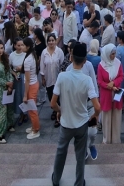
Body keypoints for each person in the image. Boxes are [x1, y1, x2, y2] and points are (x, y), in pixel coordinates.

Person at [51, 42, 100, 186]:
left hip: (66, 123)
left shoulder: (62, 76)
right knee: (80, 155)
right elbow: (97, 106)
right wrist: (94, 116)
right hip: (82, 123)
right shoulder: (87, 80)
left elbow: (52, 104)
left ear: (71, 57)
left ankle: (56, 180)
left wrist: (60, 111)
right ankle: (79, 182)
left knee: (61, 152)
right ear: (85, 60)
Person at [97, 44, 124, 144]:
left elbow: (121, 76)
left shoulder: (118, 63)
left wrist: (114, 83)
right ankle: (107, 139)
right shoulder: (101, 65)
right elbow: (100, 81)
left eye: (114, 53)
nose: (114, 56)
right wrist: (109, 86)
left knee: (116, 117)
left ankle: (116, 140)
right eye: (112, 54)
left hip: (116, 92)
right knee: (107, 117)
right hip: (106, 94)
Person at [40, 33, 64, 128]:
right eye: (49, 40)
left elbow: (62, 65)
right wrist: (43, 78)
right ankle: (55, 110)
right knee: (51, 97)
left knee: (58, 97)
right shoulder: (44, 52)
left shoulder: (59, 51)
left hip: (58, 78)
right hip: (49, 78)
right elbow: (42, 66)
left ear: (55, 41)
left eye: (52, 40)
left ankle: (59, 115)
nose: (51, 42)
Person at [22, 38, 41, 139]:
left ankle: (36, 129)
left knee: (32, 109)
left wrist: (25, 95)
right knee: (32, 108)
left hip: (31, 85)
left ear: (28, 47)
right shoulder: (32, 55)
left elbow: (27, 80)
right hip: (34, 83)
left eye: (23, 45)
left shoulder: (28, 60)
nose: (21, 47)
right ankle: (34, 126)